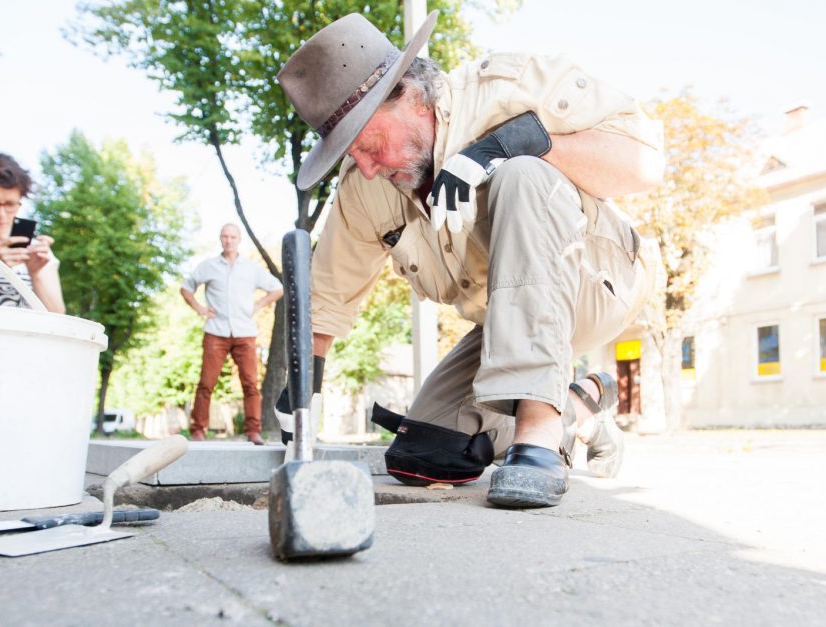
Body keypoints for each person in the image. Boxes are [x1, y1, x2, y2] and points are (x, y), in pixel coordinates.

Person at [275, 12, 664, 507]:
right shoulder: (365, 187)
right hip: (512, 322)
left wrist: (510, 144)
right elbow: (328, 297)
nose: (367, 168)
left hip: (599, 280)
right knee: (425, 454)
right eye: (353, 154)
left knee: (523, 175)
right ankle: (579, 402)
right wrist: (301, 397)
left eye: (369, 145)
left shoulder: (510, 86)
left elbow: (646, 163)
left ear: (409, 97)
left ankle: (540, 435)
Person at [181, 224, 284, 445]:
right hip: (215, 332)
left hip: (245, 333)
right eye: (225, 236)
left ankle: (253, 431)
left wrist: (259, 305)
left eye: (233, 237)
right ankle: (198, 430)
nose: (229, 240)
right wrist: (199, 308)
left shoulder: (251, 268)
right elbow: (186, 287)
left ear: (239, 240)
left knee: (250, 384)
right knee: (206, 383)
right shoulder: (208, 266)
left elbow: (277, 288)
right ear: (220, 239)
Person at [0, 153, 65, 313]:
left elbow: (57, 317)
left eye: (10, 204)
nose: (1, 214)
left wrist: (36, 273)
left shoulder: (33, 250)